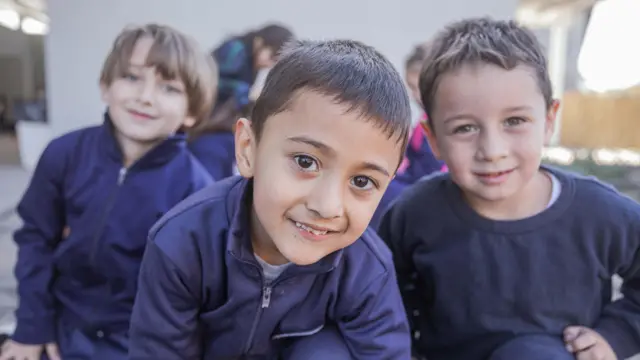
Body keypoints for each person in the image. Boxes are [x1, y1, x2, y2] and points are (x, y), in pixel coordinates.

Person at [129, 39, 413, 359]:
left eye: (362, 181)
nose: (327, 206)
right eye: (306, 162)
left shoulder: (367, 270)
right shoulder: (182, 242)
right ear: (248, 148)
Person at [379, 17, 640, 360]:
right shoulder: (413, 214)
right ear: (434, 140)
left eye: (514, 121)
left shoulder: (600, 214)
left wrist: (616, 335)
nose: (493, 150)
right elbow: (380, 295)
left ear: (548, 121)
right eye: (465, 128)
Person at [0, 23, 216, 360]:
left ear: (191, 111)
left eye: (168, 88)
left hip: (135, 340)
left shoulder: (197, 190)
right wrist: (32, 326)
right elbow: (35, 241)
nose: (145, 96)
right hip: (60, 324)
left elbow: (186, 295)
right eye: (132, 78)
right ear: (105, 86)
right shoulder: (64, 154)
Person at [189, 24, 294, 180]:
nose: (269, 64)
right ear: (259, 42)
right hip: (206, 121)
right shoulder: (235, 50)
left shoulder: (250, 62)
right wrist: (248, 93)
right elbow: (212, 81)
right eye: (271, 57)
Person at [369, 44, 443, 229]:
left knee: (379, 193)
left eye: (421, 86)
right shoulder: (423, 120)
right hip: (410, 181)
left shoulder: (441, 122)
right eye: (412, 87)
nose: (416, 95)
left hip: (427, 189)